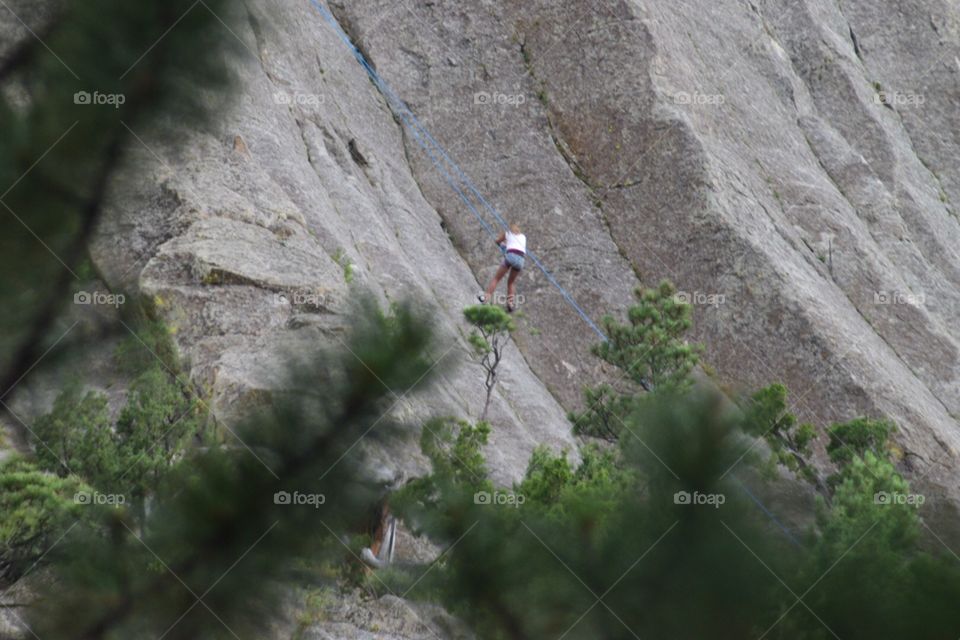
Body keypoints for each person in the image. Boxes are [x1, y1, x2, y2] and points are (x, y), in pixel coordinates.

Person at [478, 223, 525, 312]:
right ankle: (510, 304)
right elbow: (515, 246)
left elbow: (498, 241)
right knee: (511, 282)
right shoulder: (523, 237)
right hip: (521, 260)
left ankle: (486, 298)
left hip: (511, 256)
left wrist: (501, 244)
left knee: (496, 278)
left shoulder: (508, 233)